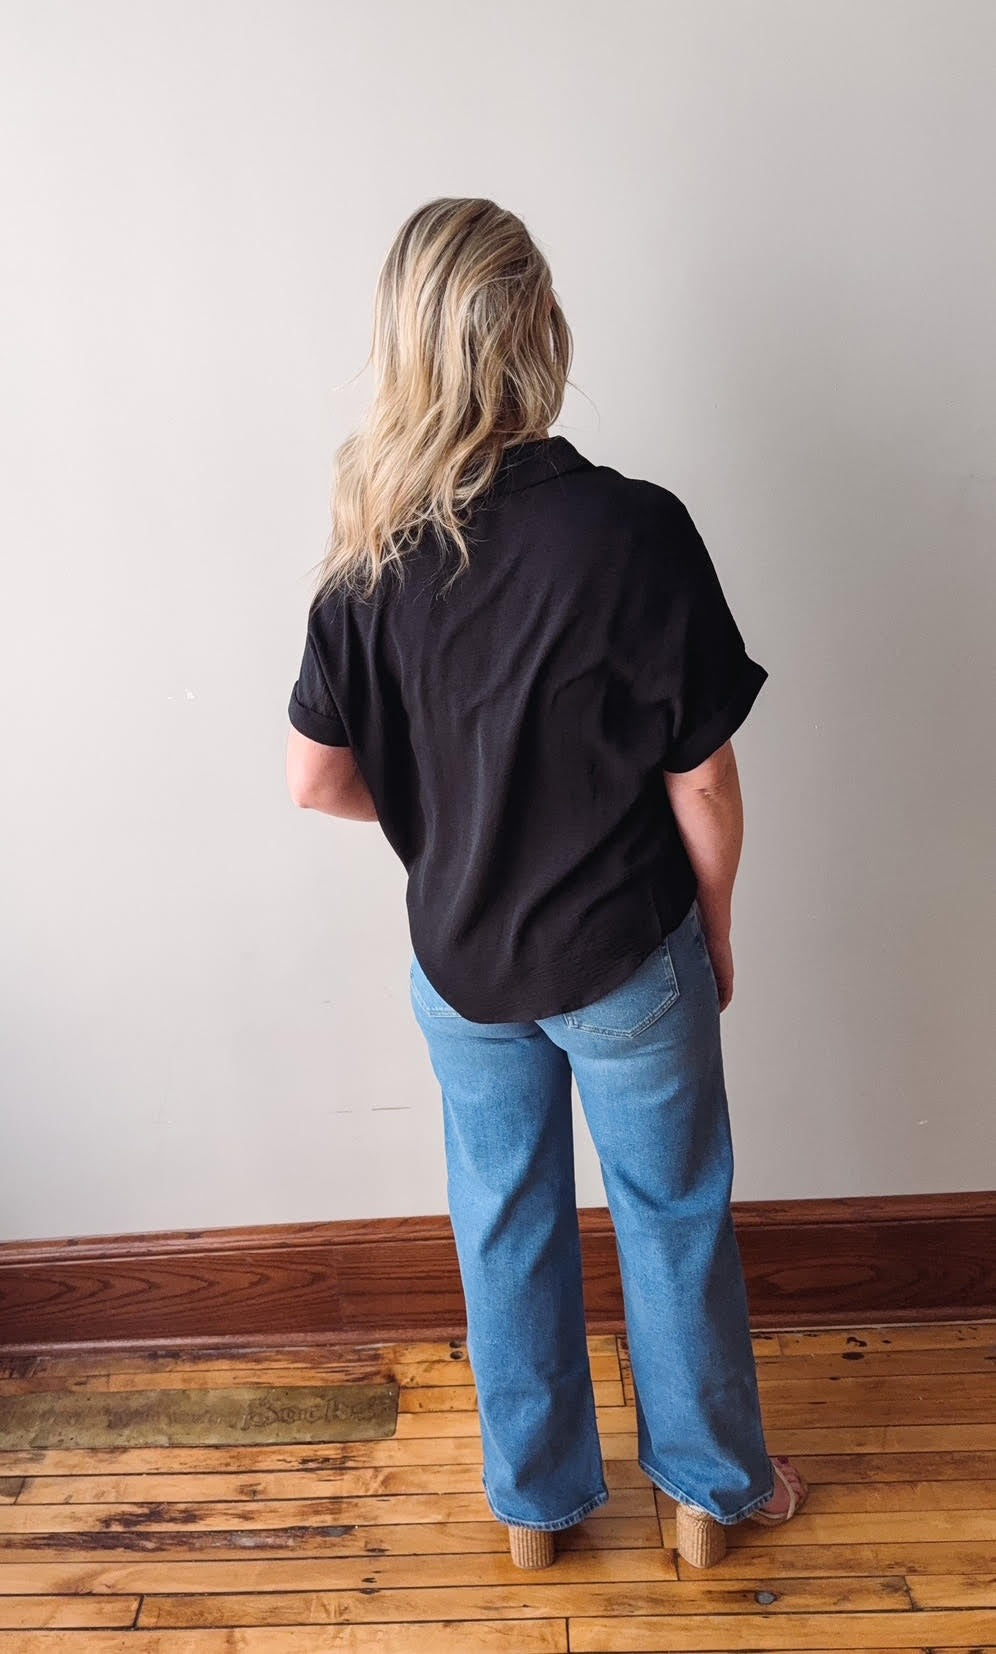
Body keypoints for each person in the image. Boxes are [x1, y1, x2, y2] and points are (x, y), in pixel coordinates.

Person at [286, 196, 809, 1570]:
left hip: (462, 967)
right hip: (628, 956)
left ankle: (537, 1512)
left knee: (505, 1224)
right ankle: (707, 1499)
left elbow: (315, 777)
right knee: (672, 1211)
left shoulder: (369, 554)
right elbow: (702, 780)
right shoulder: (635, 532)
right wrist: (719, 920)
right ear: (539, 335)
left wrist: (451, 820)